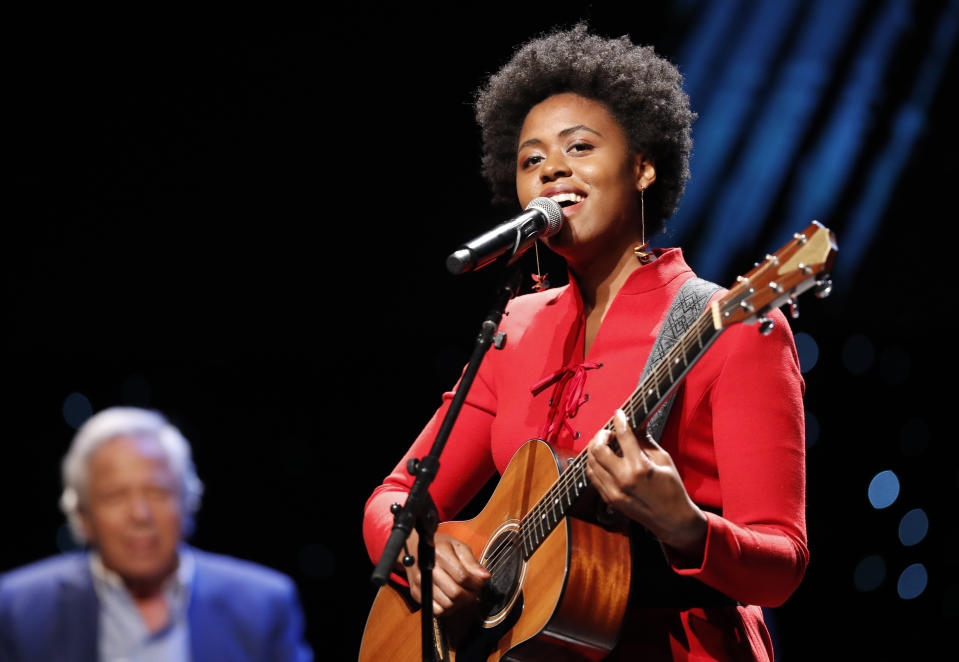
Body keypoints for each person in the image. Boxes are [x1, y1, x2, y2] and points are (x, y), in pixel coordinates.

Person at [362, 24, 808, 662]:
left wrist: (683, 526)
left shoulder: (733, 326)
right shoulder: (515, 327)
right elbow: (394, 498)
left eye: (579, 147)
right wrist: (423, 556)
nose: (552, 171)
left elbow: (783, 565)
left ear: (644, 166)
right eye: (531, 160)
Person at [0, 406, 313, 662]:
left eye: (158, 492)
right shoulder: (20, 609)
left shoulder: (263, 605)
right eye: (115, 496)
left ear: (188, 501)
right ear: (83, 514)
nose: (140, 514)